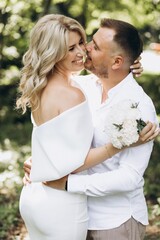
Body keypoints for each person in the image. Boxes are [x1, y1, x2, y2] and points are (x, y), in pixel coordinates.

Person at [17, 14, 154, 240]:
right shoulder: (82, 87)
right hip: (70, 209)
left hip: (114, 221)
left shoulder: (139, 107)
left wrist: (68, 183)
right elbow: (53, 126)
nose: (85, 49)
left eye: (94, 46)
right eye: (87, 41)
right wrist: (41, 161)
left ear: (117, 61)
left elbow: (129, 177)